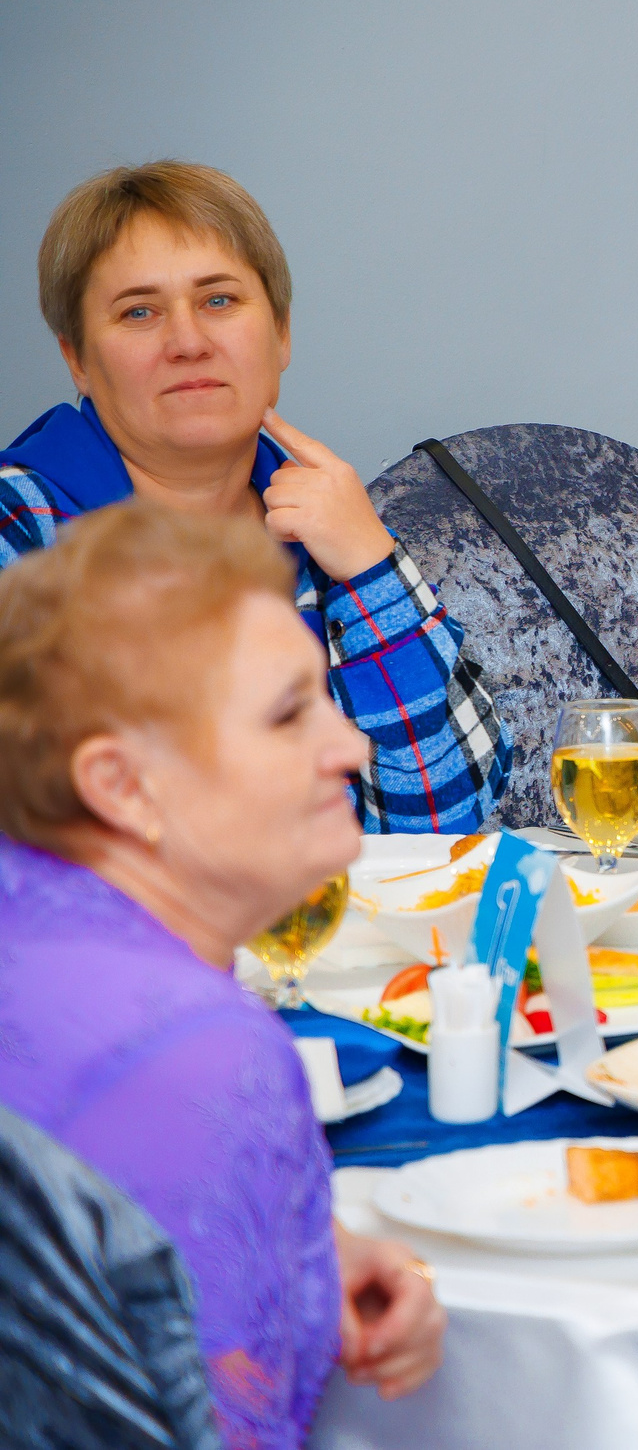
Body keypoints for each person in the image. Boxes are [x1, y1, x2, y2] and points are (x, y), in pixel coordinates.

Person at [0, 503, 447, 1446]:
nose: (353, 748)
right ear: (122, 785)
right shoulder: (202, 1049)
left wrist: (309, 1258)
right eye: (290, 714)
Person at [1, 161, 508, 832]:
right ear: (78, 360)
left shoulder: (329, 523)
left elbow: (448, 825)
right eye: (139, 311)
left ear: (281, 335)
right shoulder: (22, 531)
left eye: (219, 300)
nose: (187, 342)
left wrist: (373, 570)